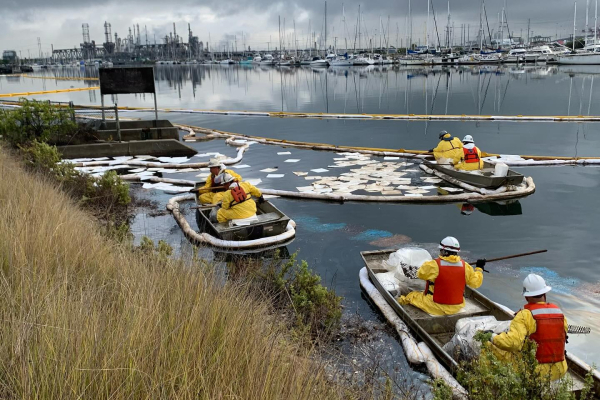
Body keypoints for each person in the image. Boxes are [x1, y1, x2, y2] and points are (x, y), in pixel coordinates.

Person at [489, 274, 568, 381]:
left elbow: (513, 343)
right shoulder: (559, 313)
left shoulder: (524, 315)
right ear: (545, 293)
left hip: (535, 371)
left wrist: (493, 337)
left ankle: (490, 382)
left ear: (526, 297)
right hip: (560, 369)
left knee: (488, 347)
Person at [398, 237, 485, 316]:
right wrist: (479, 269)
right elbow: (475, 283)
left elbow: (420, 274)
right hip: (456, 307)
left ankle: (398, 303)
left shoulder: (434, 265)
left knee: (411, 296)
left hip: (435, 306)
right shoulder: (465, 266)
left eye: (440, 250)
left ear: (444, 251)